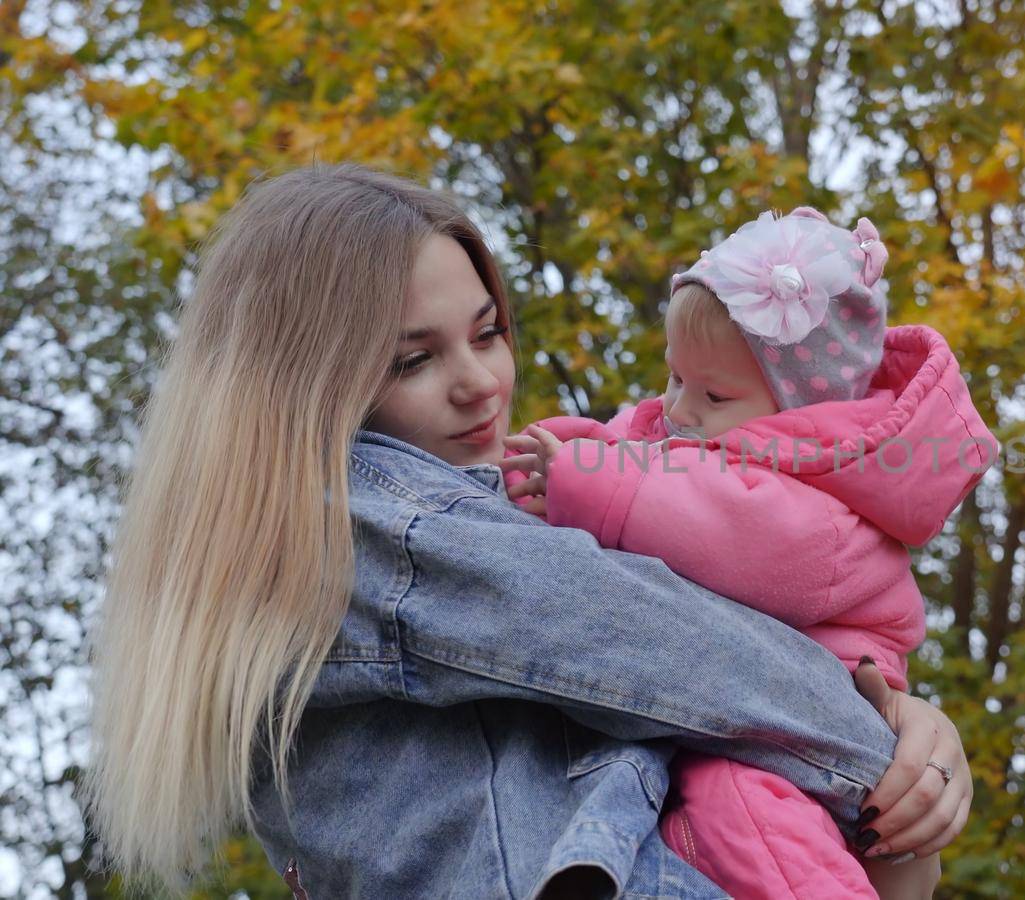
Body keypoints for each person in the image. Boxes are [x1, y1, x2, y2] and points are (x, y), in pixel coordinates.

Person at [87, 164, 971, 898]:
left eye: (489, 333)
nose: (481, 383)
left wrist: (901, 766)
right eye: (414, 359)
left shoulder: (462, 527)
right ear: (301, 384)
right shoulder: (364, 520)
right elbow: (651, 639)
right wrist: (886, 743)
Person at [503, 207, 994, 898]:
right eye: (673, 378)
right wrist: (555, 451)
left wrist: (582, 479)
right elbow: (633, 455)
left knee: (738, 809)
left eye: (712, 392)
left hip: (809, 721)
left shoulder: (815, 505)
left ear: (794, 411)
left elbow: (724, 529)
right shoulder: (702, 435)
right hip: (741, 703)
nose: (679, 407)